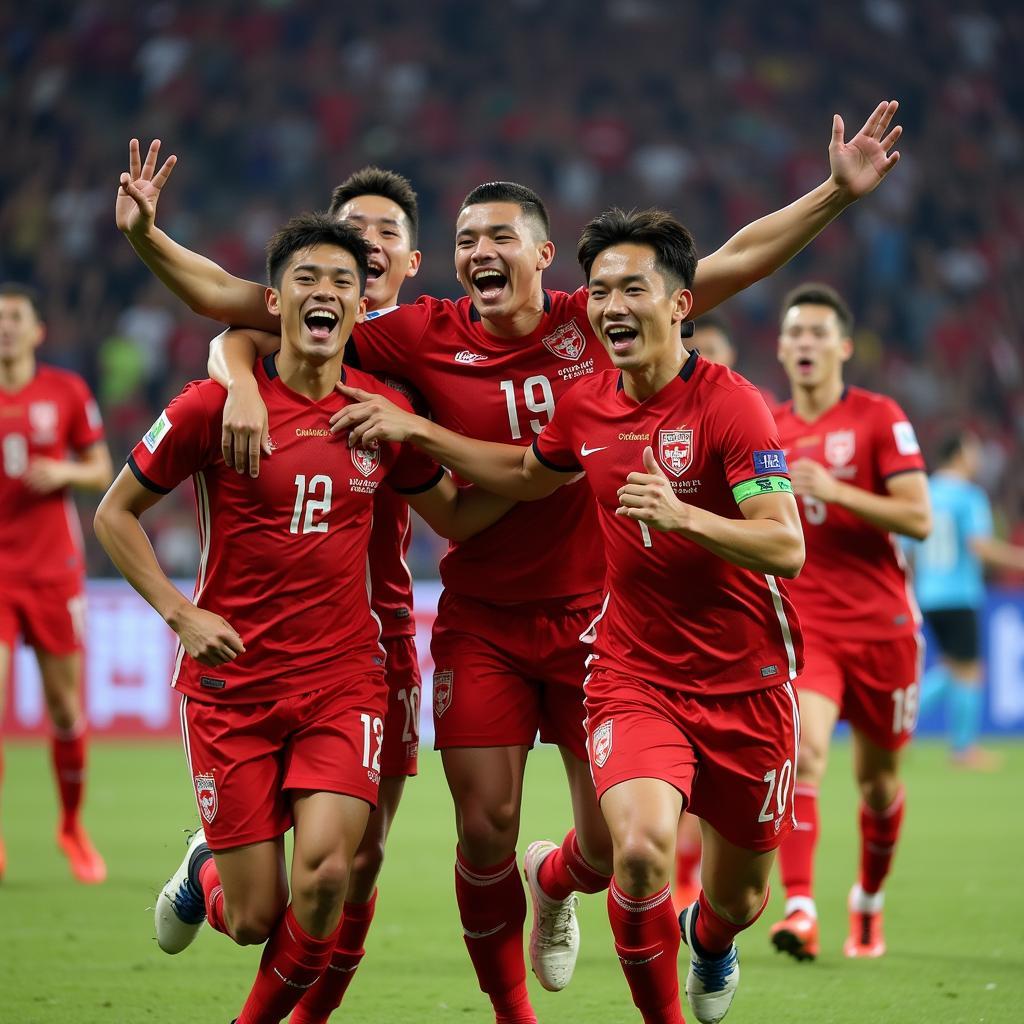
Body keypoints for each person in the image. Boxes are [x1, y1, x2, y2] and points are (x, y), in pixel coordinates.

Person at [118, 101, 901, 1024]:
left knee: (616, 854)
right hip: (485, 618)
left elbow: (729, 259)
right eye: (463, 239)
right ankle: (511, 1014)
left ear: (540, 254)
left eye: (499, 236)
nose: (478, 250)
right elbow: (248, 312)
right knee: (481, 830)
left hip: (599, 619)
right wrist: (206, 326)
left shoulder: (596, 317)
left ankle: (558, 881)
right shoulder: (412, 333)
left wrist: (835, 196)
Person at [331, 207, 805, 1024]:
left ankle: (636, 909)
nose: (613, 305)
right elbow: (520, 474)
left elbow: (785, 546)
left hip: (735, 675)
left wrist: (835, 194)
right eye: (600, 292)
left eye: (631, 290)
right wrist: (417, 438)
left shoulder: (731, 405)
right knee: (630, 850)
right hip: (619, 663)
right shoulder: (570, 399)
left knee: (739, 895)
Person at [93, 213, 510, 1024]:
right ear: (273, 300)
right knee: (255, 918)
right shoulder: (212, 406)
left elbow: (456, 517)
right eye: (309, 280)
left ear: (362, 309)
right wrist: (181, 614)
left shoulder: (381, 412)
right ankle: (207, 872)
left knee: (330, 878)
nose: (326, 294)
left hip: (341, 679)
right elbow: (115, 515)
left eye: (344, 284)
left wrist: (556, 468)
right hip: (231, 685)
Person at [769, 283, 932, 962]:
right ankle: (800, 909)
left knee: (877, 783)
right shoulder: (767, 429)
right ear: (780, 349)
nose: (804, 342)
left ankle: (867, 899)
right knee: (802, 754)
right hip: (810, 629)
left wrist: (838, 492)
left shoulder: (877, 417)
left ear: (842, 346)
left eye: (817, 332)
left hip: (885, 627)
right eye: (794, 333)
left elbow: (918, 518)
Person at [0, 282, 113, 884]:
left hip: (53, 572)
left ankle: (70, 826)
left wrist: (62, 468)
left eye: (16, 316)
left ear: (38, 331)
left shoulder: (65, 391)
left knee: (66, 710)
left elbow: (100, 469)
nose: (6, 327)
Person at [912, 429, 1024, 768]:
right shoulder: (969, 496)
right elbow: (980, 546)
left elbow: (908, 549)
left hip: (927, 593)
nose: (978, 458)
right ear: (959, 454)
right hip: (959, 593)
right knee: (969, 671)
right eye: (974, 451)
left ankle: (897, 718)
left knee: (954, 669)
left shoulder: (923, 494)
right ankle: (963, 749)